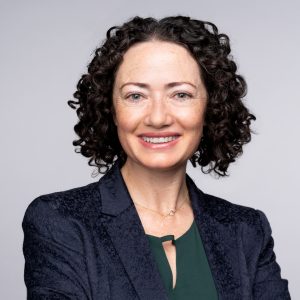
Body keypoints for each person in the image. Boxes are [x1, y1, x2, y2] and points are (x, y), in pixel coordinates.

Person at [22, 15, 291, 299]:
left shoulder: (246, 230)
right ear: (111, 109)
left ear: (210, 107)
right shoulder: (60, 221)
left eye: (181, 95)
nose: (158, 117)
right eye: (136, 96)